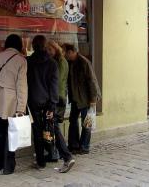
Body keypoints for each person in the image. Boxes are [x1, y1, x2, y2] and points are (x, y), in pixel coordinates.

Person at [0, 34, 27, 175]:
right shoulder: (21, 60)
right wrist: (21, 108)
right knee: (12, 134)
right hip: (12, 102)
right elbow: (22, 86)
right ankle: (8, 166)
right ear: (19, 45)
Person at [27, 35, 60, 170]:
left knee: (37, 131)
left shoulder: (28, 61)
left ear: (33, 46)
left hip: (33, 101)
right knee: (50, 129)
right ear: (45, 46)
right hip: (47, 101)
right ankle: (52, 154)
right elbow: (54, 86)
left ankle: (40, 160)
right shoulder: (52, 63)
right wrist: (52, 104)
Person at [63, 43, 101, 155]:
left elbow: (92, 81)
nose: (65, 55)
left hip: (86, 98)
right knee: (73, 121)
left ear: (72, 52)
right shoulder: (69, 63)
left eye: (66, 52)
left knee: (86, 123)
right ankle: (74, 145)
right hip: (75, 98)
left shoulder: (84, 62)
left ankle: (84, 146)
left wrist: (93, 100)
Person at [45, 40, 75, 172]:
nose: (48, 52)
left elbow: (56, 82)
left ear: (55, 49)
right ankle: (54, 154)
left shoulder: (61, 62)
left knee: (54, 127)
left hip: (57, 98)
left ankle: (66, 156)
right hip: (56, 97)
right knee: (52, 126)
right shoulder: (57, 61)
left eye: (50, 50)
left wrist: (51, 101)